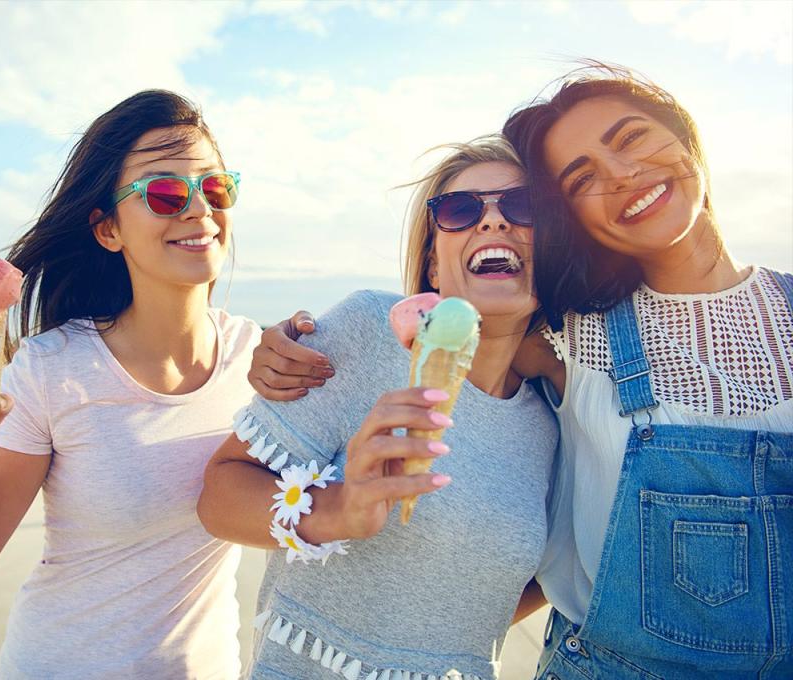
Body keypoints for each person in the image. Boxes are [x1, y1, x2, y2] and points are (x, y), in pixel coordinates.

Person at [252, 65, 793, 680]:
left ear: (689, 138)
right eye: (581, 177)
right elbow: (460, 332)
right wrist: (275, 343)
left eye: (633, 137)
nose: (619, 175)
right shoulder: (570, 338)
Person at [0, 90, 261, 678]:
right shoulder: (52, 370)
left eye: (216, 188)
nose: (198, 208)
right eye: (165, 192)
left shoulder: (257, 358)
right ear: (108, 229)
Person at [197, 135, 557, 679]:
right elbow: (219, 494)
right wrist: (338, 509)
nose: (492, 222)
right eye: (460, 210)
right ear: (433, 266)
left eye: (523, 206)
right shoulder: (366, 331)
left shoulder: (557, 417)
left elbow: (537, 580)